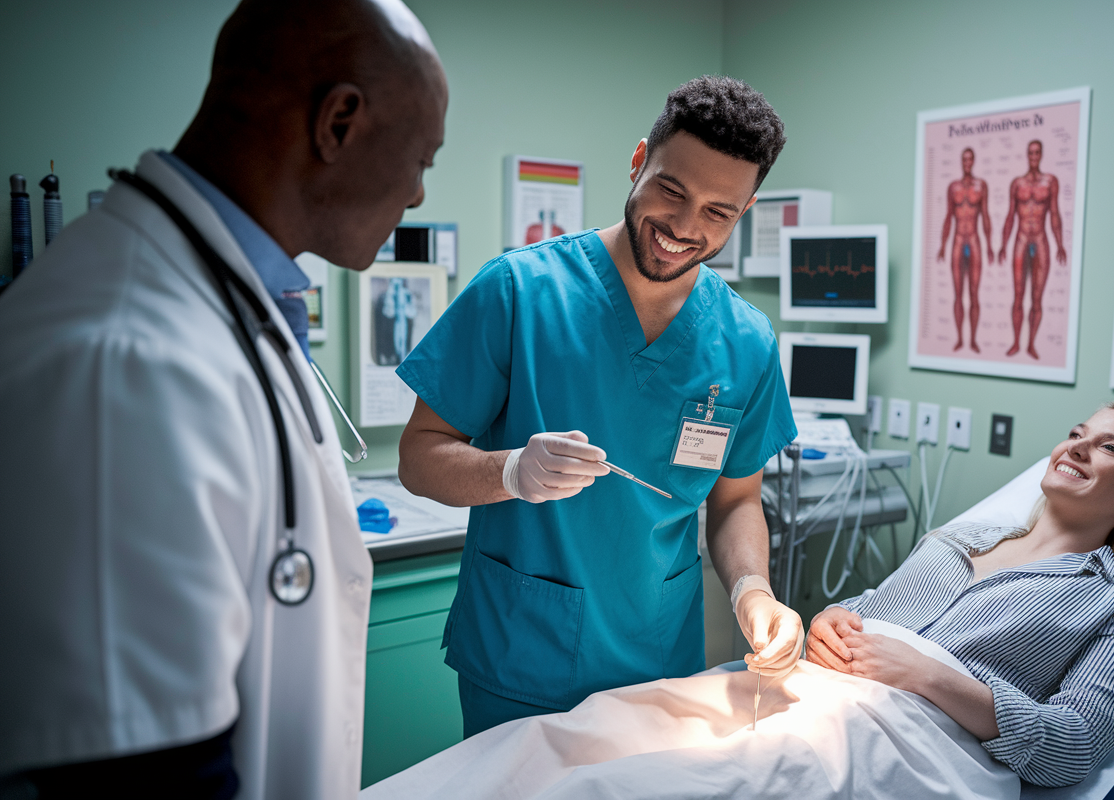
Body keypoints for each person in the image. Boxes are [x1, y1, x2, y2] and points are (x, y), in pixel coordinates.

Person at [0, 1, 447, 798]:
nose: (416, 195)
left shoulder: (232, 301)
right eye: (423, 159)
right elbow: (140, 775)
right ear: (337, 122)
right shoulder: (125, 357)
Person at [395, 76, 803, 737]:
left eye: (717, 213)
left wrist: (752, 589)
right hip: (520, 659)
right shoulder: (518, 292)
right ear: (640, 160)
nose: (683, 226)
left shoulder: (745, 341)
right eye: (672, 190)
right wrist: (507, 473)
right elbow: (419, 457)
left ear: (745, 209)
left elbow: (735, 499)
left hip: (660, 662)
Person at [805, 401, 1114, 787]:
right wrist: (829, 619)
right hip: (810, 695)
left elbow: (1075, 745)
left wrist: (927, 674)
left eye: (1109, 447)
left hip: (900, 746)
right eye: (1076, 434)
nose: (1076, 447)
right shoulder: (955, 538)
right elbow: (869, 605)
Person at [998, 140, 1067, 359]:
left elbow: (1055, 214)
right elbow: (1010, 216)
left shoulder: (1050, 182)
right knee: (1018, 296)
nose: (1034, 156)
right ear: (1027, 155)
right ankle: (1017, 342)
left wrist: (1060, 244)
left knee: (1037, 297)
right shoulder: (1017, 183)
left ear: (1042, 154)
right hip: (1020, 239)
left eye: (1037, 152)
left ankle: (1031, 344)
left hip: (1040, 239)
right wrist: (1002, 244)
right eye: (1031, 153)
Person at [937, 147, 994, 353]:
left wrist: (989, 245)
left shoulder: (981, 186)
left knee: (974, 294)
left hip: (975, 240)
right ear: (961, 162)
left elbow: (986, 215)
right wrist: (943, 245)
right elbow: (948, 217)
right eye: (964, 159)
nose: (967, 163)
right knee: (958, 293)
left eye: (970, 159)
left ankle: (973, 340)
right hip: (958, 240)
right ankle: (960, 338)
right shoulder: (953, 187)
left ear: (974, 161)